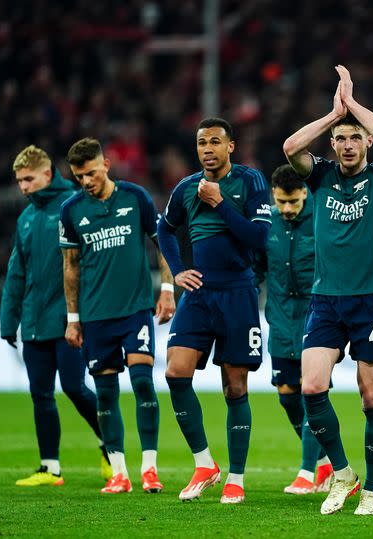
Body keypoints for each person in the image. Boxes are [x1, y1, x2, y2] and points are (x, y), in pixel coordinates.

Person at [282, 65, 373, 516]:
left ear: (364, 142)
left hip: (371, 298)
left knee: (372, 395)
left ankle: (371, 490)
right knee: (311, 386)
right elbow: (291, 146)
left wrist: (354, 107)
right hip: (326, 300)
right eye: (341, 139)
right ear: (333, 144)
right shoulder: (321, 177)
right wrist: (333, 116)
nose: (348, 145)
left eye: (355, 138)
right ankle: (343, 473)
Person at [157, 118, 271, 504]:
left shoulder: (250, 181)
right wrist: (176, 272)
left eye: (215, 142)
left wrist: (219, 204)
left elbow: (259, 237)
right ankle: (205, 463)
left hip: (238, 291)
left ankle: (236, 477)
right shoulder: (186, 188)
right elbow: (164, 229)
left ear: (231, 147)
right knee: (175, 372)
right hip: (200, 292)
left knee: (234, 386)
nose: (207, 149)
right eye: (202, 142)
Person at [60, 137, 176, 494]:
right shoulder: (71, 210)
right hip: (95, 317)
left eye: (91, 173)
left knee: (143, 382)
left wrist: (168, 291)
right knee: (106, 393)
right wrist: (73, 318)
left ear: (106, 165)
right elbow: (70, 266)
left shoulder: (135, 197)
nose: (86, 182)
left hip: (135, 309)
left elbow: (164, 243)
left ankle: (150, 469)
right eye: (79, 176)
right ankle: (119, 473)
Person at [0, 145, 111, 486]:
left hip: (68, 318)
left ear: (47, 174)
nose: (23, 187)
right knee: (41, 393)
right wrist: (9, 319)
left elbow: (88, 263)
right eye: (19, 181)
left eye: (28, 179)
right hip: (34, 319)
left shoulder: (75, 207)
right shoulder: (27, 217)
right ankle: (50, 467)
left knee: (75, 387)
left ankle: (110, 446)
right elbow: (16, 272)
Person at [253, 165, 333, 495]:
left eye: (293, 202)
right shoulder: (267, 222)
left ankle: (306, 472)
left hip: (316, 319)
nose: (286, 209)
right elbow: (257, 268)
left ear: (305, 193)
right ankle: (328, 461)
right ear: (274, 195)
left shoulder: (322, 217)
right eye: (281, 202)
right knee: (287, 396)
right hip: (281, 321)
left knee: (311, 392)